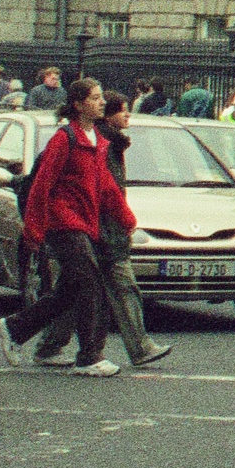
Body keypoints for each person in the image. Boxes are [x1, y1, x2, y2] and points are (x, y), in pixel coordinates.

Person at [0, 79, 125, 375]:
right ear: (78, 104)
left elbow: (105, 185)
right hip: (63, 222)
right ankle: (90, 357)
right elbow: (42, 185)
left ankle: (15, 328)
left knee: (69, 289)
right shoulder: (63, 139)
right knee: (90, 281)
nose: (102, 103)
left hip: (85, 222)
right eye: (94, 98)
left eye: (101, 98)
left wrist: (125, 217)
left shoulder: (98, 140)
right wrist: (34, 229)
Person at [85, 92, 167, 369]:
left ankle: (48, 344)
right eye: (123, 112)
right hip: (105, 230)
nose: (128, 116)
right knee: (123, 287)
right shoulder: (105, 145)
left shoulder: (113, 143)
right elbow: (106, 191)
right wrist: (123, 221)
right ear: (109, 116)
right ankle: (140, 347)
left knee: (75, 292)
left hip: (106, 227)